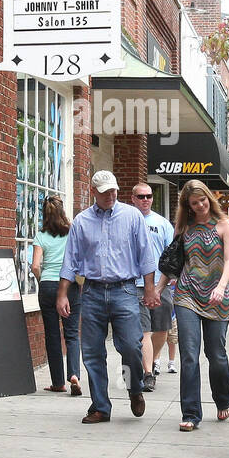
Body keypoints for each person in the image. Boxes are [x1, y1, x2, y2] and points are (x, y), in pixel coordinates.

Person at [58, 170, 159, 424]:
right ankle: (100, 407)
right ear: (93, 192)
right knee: (92, 351)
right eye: (105, 192)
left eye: (114, 190)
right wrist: (62, 295)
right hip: (91, 291)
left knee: (130, 346)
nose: (111, 196)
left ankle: (135, 388)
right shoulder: (81, 222)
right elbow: (70, 260)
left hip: (124, 290)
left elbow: (146, 255)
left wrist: (149, 289)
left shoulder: (132, 216)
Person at [160, 179, 229, 431]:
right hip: (187, 295)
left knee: (216, 355)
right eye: (194, 203)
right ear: (188, 205)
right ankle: (191, 412)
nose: (200, 205)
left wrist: (221, 286)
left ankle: (223, 398)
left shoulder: (225, 224)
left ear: (209, 198)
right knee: (190, 355)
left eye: (203, 200)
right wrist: (159, 287)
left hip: (218, 297)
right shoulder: (184, 227)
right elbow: (175, 262)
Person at [32, 195, 81, 396]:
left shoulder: (41, 236)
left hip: (48, 287)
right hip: (69, 285)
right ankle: (74, 375)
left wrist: (42, 280)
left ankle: (58, 382)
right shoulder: (72, 233)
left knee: (52, 334)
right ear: (63, 212)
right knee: (71, 333)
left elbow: (35, 266)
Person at [131, 183, 173, 392]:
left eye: (148, 196)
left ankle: (153, 357)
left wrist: (167, 281)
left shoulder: (162, 223)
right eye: (141, 196)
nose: (145, 199)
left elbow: (171, 254)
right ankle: (147, 373)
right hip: (136, 284)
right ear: (133, 198)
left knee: (162, 329)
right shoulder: (127, 220)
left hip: (161, 284)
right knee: (144, 331)